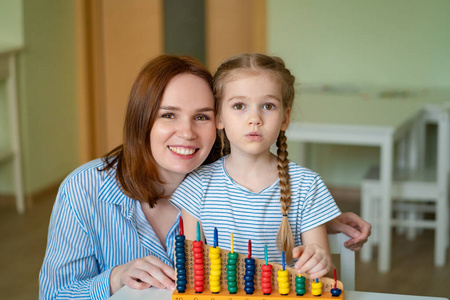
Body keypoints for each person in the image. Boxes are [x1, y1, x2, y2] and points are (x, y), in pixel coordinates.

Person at [39, 54, 370, 299]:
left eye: (201, 116)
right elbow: (54, 295)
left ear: (217, 122)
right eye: (168, 115)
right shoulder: (84, 189)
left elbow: (266, 201)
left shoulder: (219, 176)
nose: (187, 133)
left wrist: (323, 220)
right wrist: (115, 277)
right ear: (142, 120)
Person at [171, 53, 339, 279]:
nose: (254, 118)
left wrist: (320, 262)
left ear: (285, 119)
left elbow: (323, 275)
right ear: (219, 117)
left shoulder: (307, 186)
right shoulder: (197, 186)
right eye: (239, 105)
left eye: (268, 106)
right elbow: (192, 274)